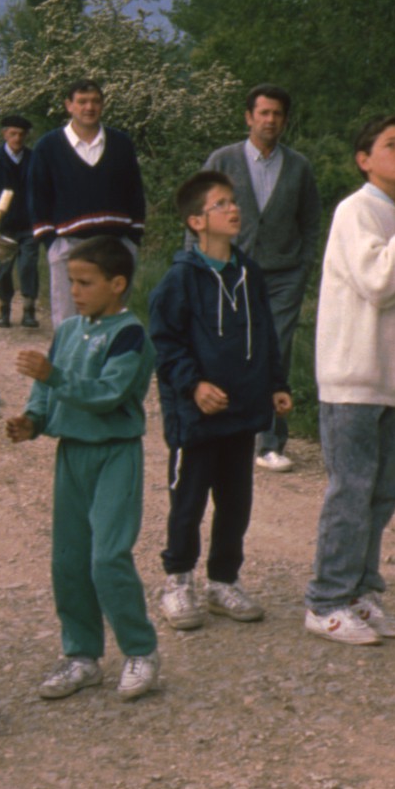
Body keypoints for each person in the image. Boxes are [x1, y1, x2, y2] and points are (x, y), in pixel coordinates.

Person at [305, 116, 395, 644]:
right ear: (364, 159)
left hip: (393, 384)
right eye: (390, 145)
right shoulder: (355, 211)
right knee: (351, 490)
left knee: (382, 493)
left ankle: (360, 591)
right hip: (352, 379)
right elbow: (379, 281)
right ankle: (325, 600)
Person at [7, 237, 162, 702]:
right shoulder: (69, 330)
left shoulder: (130, 334)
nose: (74, 290)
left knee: (108, 556)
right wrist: (32, 419)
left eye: (85, 282)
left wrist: (51, 377)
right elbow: (46, 389)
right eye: (71, 281)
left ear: (117, 284)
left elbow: (106, 395)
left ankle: (140, 650)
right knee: (69, 560)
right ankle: (82, 656)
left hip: (115, 453)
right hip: (72, 454)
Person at [148, 171, 290, 631]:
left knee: (236, 502)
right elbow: (166, 344)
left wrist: (276, 384)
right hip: (196, 416)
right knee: (188, 502)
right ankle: (178, 580)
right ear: (195, 221)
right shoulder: (179, 279)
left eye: (234, 202)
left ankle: (223, 580)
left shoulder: (248, 274)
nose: (233, 210)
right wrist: (193, 386)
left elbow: (267, 335)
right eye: (221, 204)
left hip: (243, 412)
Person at [204, 85, 325, 472]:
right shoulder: (223, 161)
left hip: (283, 275)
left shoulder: (299, 166)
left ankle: (270, 441)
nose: (270, 120)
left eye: (277, 114)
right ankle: (227, 428)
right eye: (263, 113)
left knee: (277, 350)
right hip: (230, 270)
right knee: (231, 345)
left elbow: (310, 221)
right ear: (248, 117)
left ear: (285, 121)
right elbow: (197, 212)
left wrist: (303, 264)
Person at [27, 78, 148, 327]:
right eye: (82, 102)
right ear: (69, 106)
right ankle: (69, 367)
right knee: (70, 324)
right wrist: (51, 242)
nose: (89, 107)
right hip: (69, 246)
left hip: (116, 246)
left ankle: (110, 367)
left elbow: (134, 191)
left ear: (103, 105)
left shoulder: (121, 144)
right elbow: (37, 195)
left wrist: (133, 237)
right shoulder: (49, 146)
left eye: (95, 101)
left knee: (112, 323)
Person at [0, 114, 42, 327]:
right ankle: (4, 308)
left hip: (28, 223)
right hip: (2, 224)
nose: (17, 138)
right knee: (3, 269)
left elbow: (43, 190)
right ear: (4, 134)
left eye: (21, 134)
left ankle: (29, 309)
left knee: (28, 266)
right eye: (13, 134)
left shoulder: (34, 159)